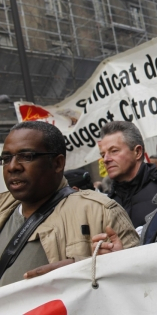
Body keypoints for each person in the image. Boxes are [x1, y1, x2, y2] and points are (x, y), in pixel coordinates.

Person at [0, 122, 138, 286]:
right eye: (6, 158)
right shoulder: (3, 208)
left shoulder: (101, 211)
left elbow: (139, 286)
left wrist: (87, 269)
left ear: (57, 163)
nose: (13, 166)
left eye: (27, 156)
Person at [98, 122, 157, 229]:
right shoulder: (107, 204)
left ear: (137, 152)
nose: (105, 160)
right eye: (103, 154)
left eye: (114, 151)